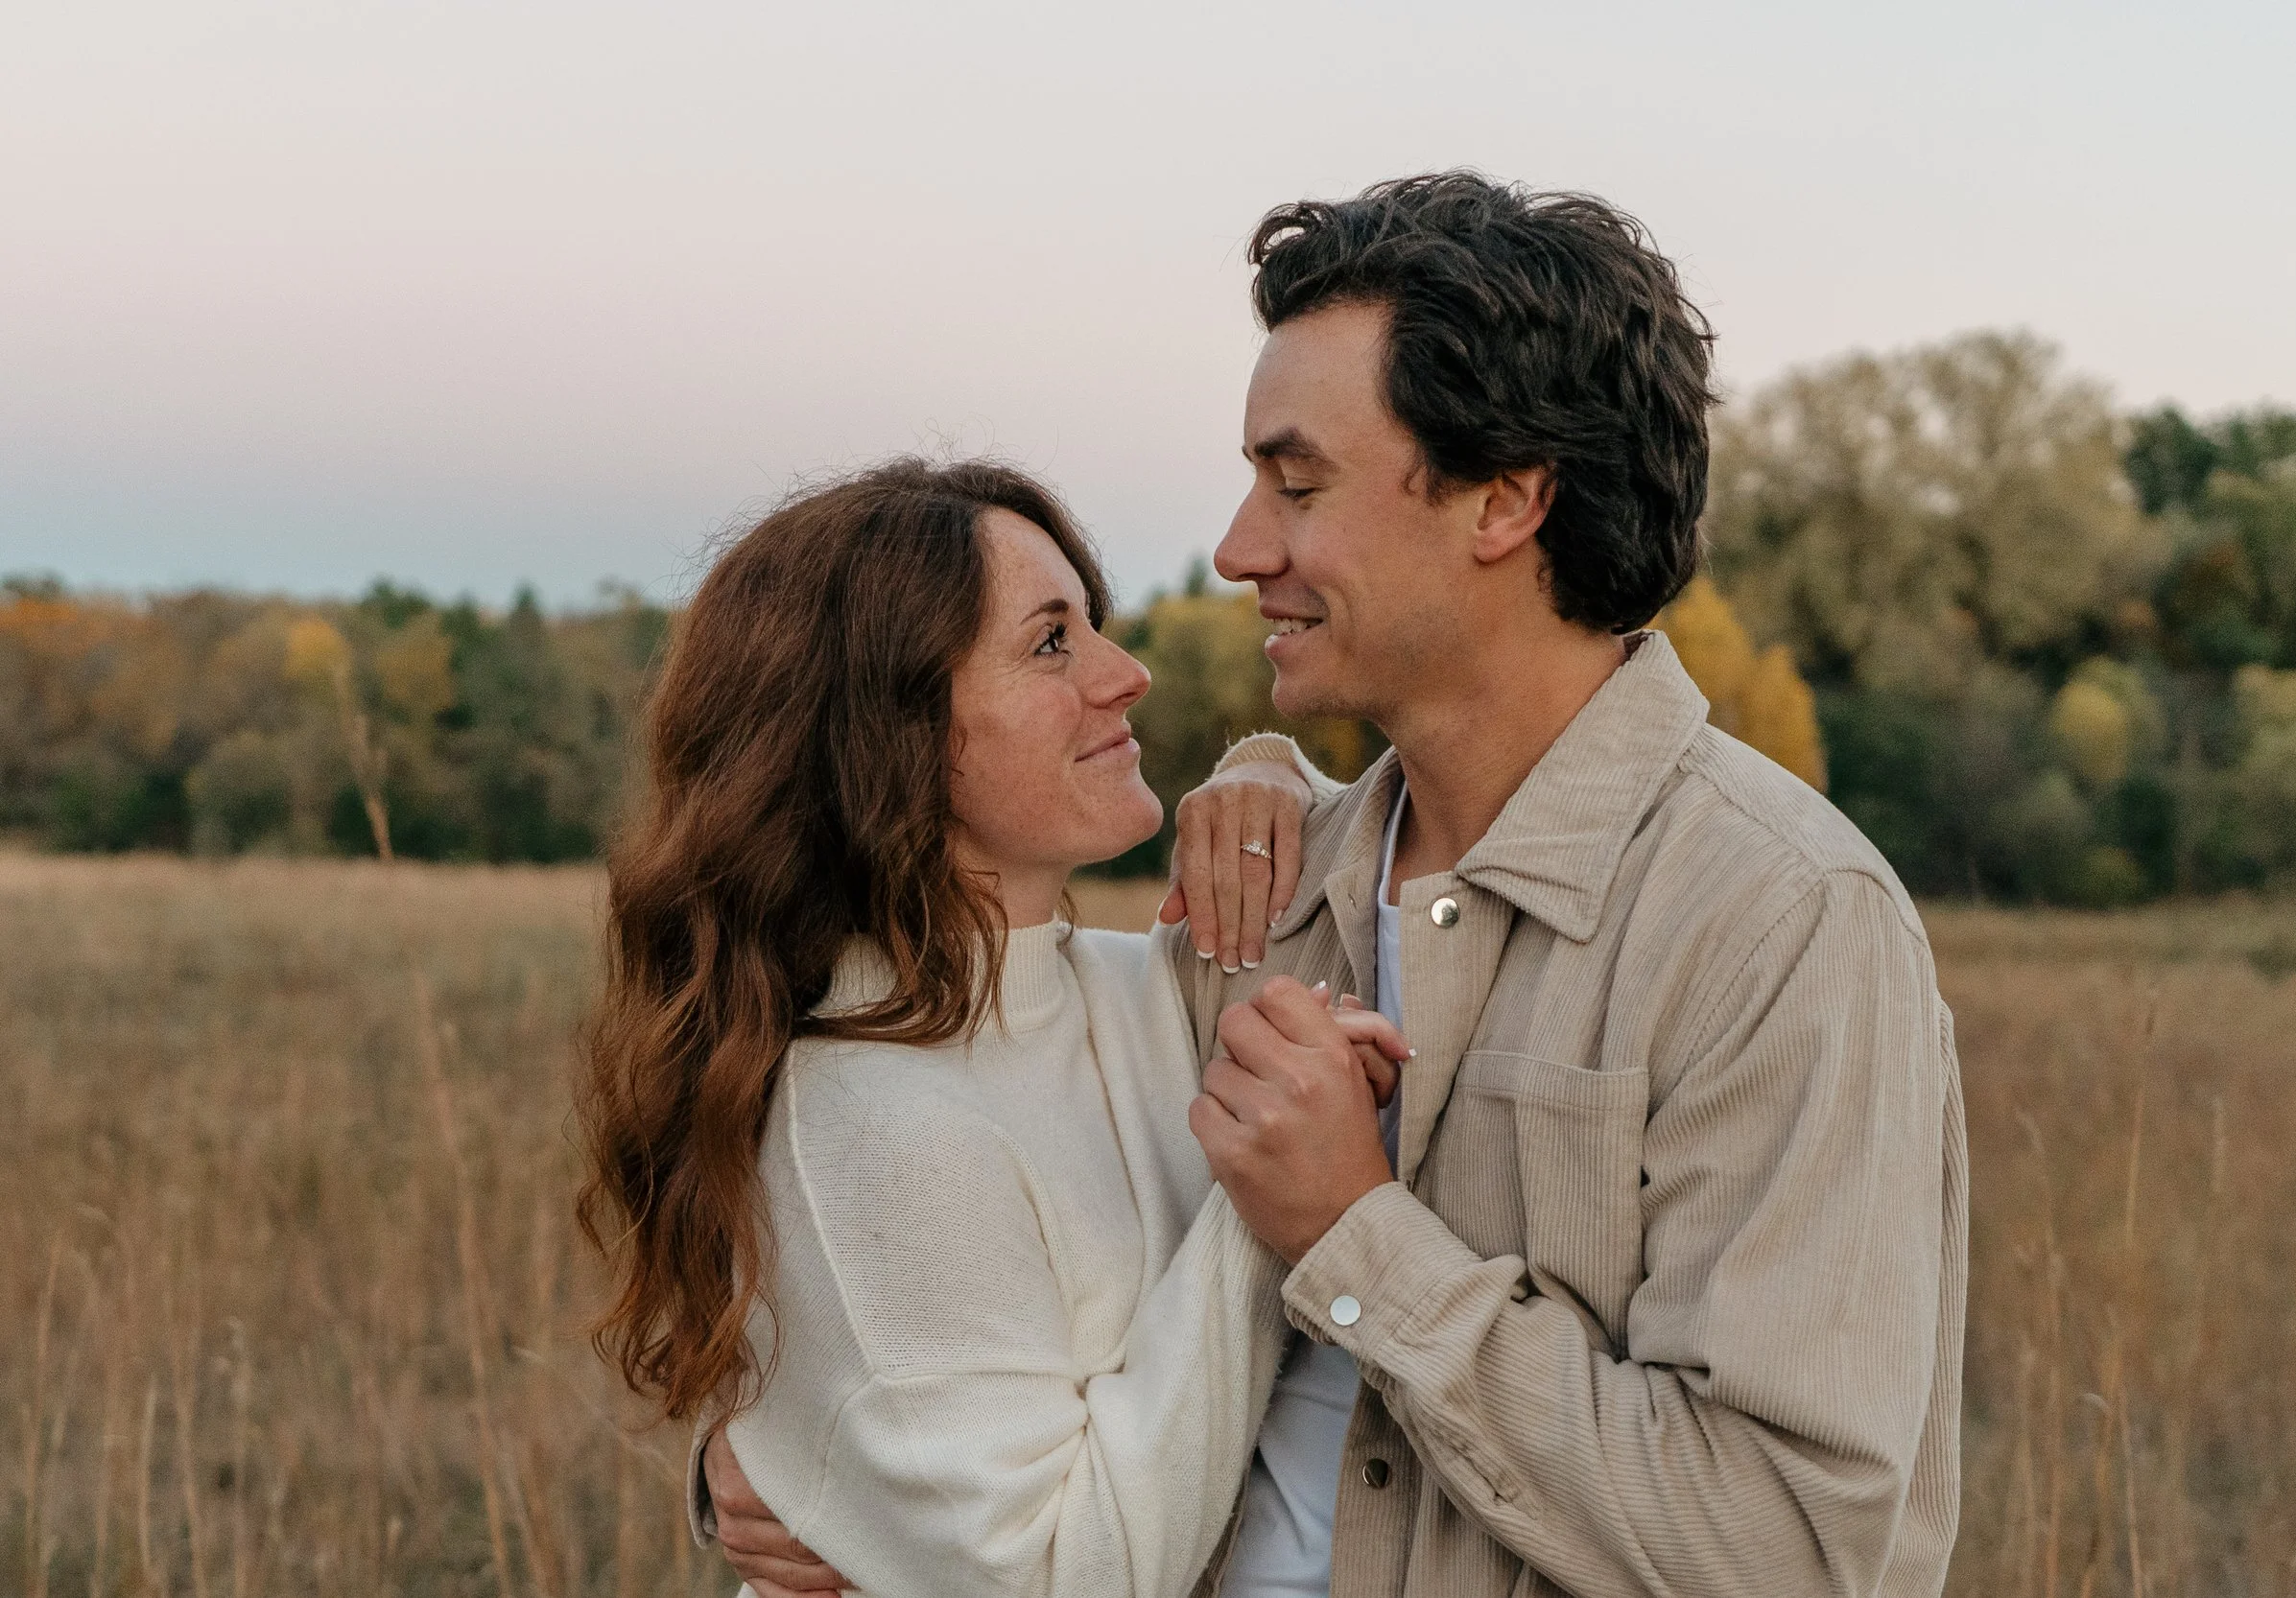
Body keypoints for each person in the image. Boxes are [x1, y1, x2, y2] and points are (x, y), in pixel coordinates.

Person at [706, 173, 1967, 1598]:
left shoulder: (1779, 924)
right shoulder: (1254, 898)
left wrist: (1354, 1235)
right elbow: (987, 1280)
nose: (1240, 548)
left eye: (1297, 486)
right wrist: (820, 1453)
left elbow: (1798, 1552)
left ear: (1507, 498)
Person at [576, 458, 1406, 1598]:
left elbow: (1389, 882)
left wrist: (1268, 768)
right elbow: (1058, 1579)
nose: (1125, 673)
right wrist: (1268, 1199)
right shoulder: (869, 1112)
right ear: (887, 729)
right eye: (1051, 642)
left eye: (1093, 624)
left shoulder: (1129, 989)